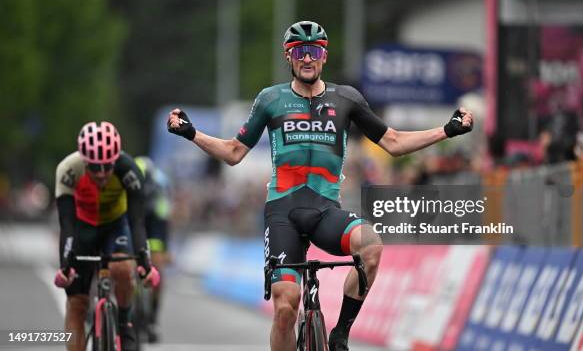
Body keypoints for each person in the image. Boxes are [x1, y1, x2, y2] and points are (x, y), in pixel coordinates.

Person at [167, 21, 473, 351]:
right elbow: (233, 152)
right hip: (283, 211)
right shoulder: (271, 99)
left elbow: (394, 142)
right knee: (286, 307)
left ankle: (340, 332)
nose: (308, 58)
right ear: (289, 58)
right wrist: (191, 133)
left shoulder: (346, 98)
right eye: (300, 52)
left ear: (324, 57)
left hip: (326, 211)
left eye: (314, 51)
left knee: (371, 247)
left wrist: (447, 130)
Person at [54, 121, 160, 351]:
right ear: (84, 160)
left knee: (122, 269)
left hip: (116, 225)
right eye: (94, 167)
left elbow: (137, 221)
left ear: (116, 159)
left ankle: (124, 321)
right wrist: (66, 265)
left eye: (107, 166)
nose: (101, 174)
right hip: (82, 227)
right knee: (77, 305)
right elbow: (67, 223)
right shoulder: (68, 170)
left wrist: (145, 262)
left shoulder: (129, 169)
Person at [134, 156, 173, 342]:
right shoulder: (127, 180)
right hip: (135, 220)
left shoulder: (160, 187)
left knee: (157, 267)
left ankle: (152, 319)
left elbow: (163, 222)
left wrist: (164, 250)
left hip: (154, 223)